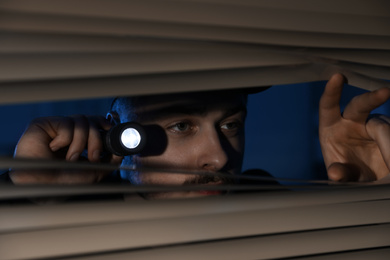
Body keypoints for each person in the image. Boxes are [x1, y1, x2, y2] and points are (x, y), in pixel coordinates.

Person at [9, 74, 390, 199]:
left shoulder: (266, 201)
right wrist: (33, 196)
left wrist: (368, 204)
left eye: (230, 125)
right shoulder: (72, 224)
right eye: (181, 126)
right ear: (118, 132)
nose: (221, 159)